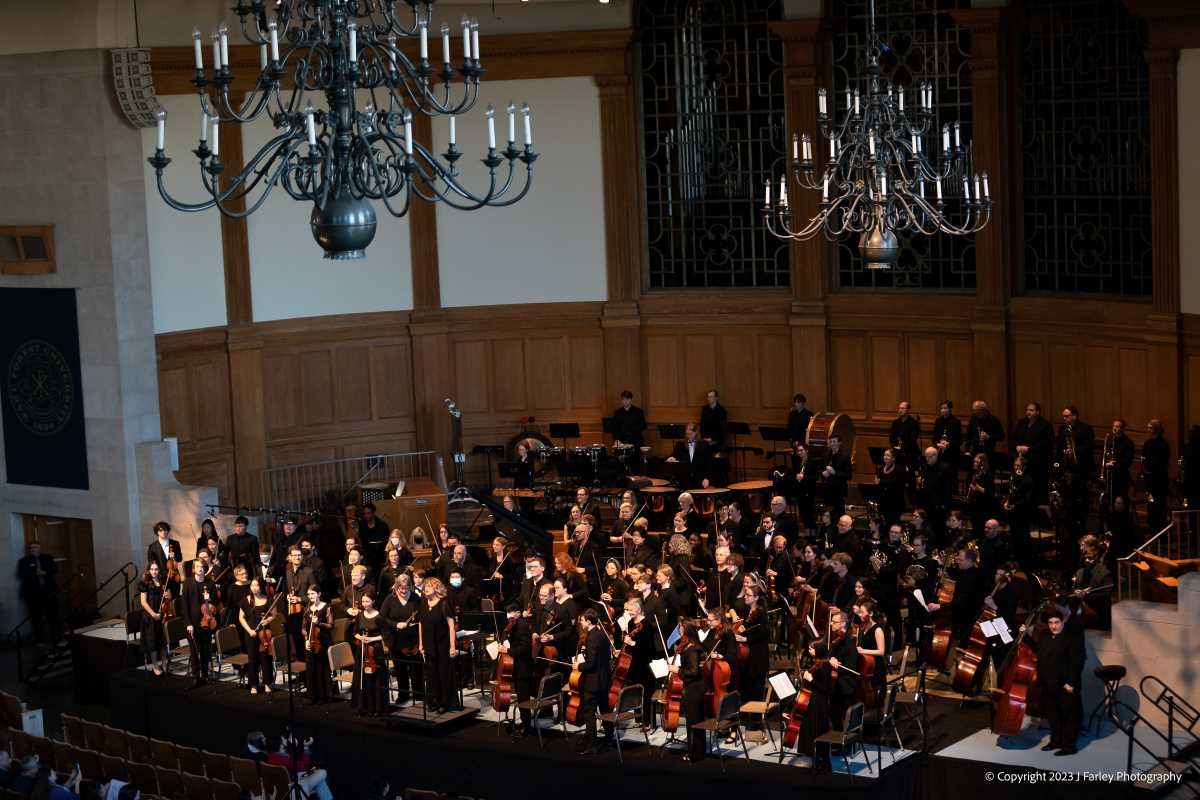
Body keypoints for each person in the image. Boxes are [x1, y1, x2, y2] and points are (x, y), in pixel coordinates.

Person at [1030, 609, 1084, 755]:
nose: (1054, 626)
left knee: (1069, 715)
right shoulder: (1045, 636)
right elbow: (1037, 650)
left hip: (1065, 684)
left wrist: (1071, 682)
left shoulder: (1072, 638)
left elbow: (1077, 662)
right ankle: (1055, 741)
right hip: (1049, 684)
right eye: (1050, 623)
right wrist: (1024, 636)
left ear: (1062, 622)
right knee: (1053, 714)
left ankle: (1068, 746)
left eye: (1056, 622)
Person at [575, 608, 613, 756]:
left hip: (593, 683)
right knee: (605, 710)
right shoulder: (602, 635)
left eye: (583, 620)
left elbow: (591, 664)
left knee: (589, 714)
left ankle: (592, 745)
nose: (581, 622)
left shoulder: (592, 638)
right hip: (604, 680)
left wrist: (578, 666)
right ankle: (609, 738)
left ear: (589, 621)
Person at [418, 576, 460, 713]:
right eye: (424, 588)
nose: (425, 590)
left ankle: (445, 703)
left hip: (442, 645)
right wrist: (420, 643)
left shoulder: (443, 604)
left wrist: (452, 647)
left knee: (443, 674)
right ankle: (433, 701)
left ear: (436, 588)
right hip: (428, 644)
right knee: (431, 675)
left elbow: (451, 626)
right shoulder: (423, 603)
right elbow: (420, 623)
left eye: (428, 587)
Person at [379, 573, 420, 706]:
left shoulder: (415, 598)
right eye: (400, 589)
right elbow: (383, 618)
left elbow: (422, 615)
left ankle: (419, 693)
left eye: (406, 588)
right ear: (396, 588)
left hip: (413, 638)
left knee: (416, 667)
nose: (403, 591)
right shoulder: (390, 599)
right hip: (396, 639)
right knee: (400, 668)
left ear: (410, 587)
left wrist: (415, 623)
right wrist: (396, 624)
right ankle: (403, 694)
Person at [179, 560, 219, 688]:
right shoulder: (187, 583)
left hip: (206, 622)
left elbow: (216, 604)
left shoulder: (210, 584)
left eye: (202, 567)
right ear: (193, 569)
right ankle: (196, 676)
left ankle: (205, 675)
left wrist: (210, 599)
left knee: (206, 650)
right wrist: (188, 623)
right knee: (195, 651)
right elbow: (184, 605)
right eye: (197, 567)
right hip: (192, 623)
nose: (200, 569)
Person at [673, 620, 707, 762]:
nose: (679, 631)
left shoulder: (692, 648)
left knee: (693, 722)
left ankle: (694, 754)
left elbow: (693, 672)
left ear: (687, 630)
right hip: (695, 688)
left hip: (694, 689)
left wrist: (677, 670)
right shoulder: (691, 645)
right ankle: (699, 751)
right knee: (696, 721)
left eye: (681, 629)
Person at [17, 542, 61, 646]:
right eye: (31, 548)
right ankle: (40, 640)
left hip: (48, 591)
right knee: (36, 618)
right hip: (33, 594)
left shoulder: (47, 558)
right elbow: (21, 574)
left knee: (53, 616)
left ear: (40, 548)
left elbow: (55, 569)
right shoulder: (23, 561)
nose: (33, 549)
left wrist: (45, 572)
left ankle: (56, 638)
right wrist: (34, 573)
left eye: (36, 547)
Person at [239, 578, 277, 695]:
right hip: (251, 633)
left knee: (265, 658)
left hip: (265, 633)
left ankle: (267, 683)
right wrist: (249, 630)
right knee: (253, 659)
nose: (254, 588)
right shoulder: (246, 600)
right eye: (252, 585)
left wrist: (268, 619)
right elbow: (241, 617)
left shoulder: (268, 600)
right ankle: (254, 685)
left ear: (261, 587)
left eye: (256, 585)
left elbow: (274, 614)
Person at [352, 589, 387, 716]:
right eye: (363, 601)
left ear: (373, 601)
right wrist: (361, 638)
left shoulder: (379, 616)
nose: (365, 604)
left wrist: (371, 639)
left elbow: (385, 635)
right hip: (362, 650)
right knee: (364, 678)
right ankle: (364, 706)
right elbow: (355, 632)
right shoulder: (360, 615)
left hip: (375, 651)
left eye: (367, 601)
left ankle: (378, 707)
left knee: (376, 678)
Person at [1010, 402, 1054, 502]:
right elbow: (1013, 438)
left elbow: (1046, 444)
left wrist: (1029, 449)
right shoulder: (1021, 422)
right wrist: (1017, 446)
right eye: (1027, 410)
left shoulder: (1045, 425)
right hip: (1022, 462)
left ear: (1037, 412)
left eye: (1031, 410)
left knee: (1037, 489)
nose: (1028, 412)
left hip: (1037, 463)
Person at [302, 586, 334, 705]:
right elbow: (304, 628)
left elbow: (331, 625)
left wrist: (318, 623)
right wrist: (306, 639)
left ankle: (323, 695)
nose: (311, 597)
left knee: (322, 668)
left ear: (319, 594)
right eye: (309, 594)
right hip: (311, 641)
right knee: (311, 668)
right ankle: (312, 695)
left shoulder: (327, 607)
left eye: (313, 594)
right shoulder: (307, 609)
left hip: (323, 642)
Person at [137, 562, 170, 676]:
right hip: (150, 617)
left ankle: (165, 664)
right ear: (148, 570)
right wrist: (153, 614)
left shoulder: (162, 582)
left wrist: (168, 596)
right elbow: (143, 602)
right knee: (153, 643)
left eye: (156, 569)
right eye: (152, 569)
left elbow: (169, 597)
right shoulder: (144, 583)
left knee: (163, 641)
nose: (154, 571)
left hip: (161, 614)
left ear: (159, 571)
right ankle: (155, 666)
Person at [1142, 419, 1171, 532]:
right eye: (1148, 427)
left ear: (1156, 430)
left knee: (1159, 506)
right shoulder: (1147, 443)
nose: (1148, 430)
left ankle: (1160, 530)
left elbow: (1162, 463)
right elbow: (1145, 458)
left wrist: (1149, 466)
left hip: (1159, 481)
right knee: (1150, 504)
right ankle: (1151, 528)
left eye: (1150, 428)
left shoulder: (1164, 444)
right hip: (1150, 480)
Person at [667, 423, 711, 489]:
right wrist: (671, 458)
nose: (688, 436)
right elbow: (674, 455)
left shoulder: (703, 445)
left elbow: (708, 463)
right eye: (687, 434)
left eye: (690, 433)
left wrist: (707, 478)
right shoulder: (680, 444)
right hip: (684, 479)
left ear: (696, 432)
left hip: (699, 479)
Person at [146, 521, 183, 593]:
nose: (164, 532)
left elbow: (180, 558)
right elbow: (151, 563)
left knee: (175, 598)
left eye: (165, 530)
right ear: (157, 532)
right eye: (161, 530)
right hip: (160, 578)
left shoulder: (175, 543)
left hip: (174, 576)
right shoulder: (152, 547)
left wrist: (174, 556)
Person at [358, 502, 390, 572]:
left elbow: (387, 541)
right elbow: (361, 540)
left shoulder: (382, 525)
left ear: (373, 513)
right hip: (367, 557)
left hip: (380, 556)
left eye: (368, 513)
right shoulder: (362, 525)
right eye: (364, 513)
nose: (366, 515)